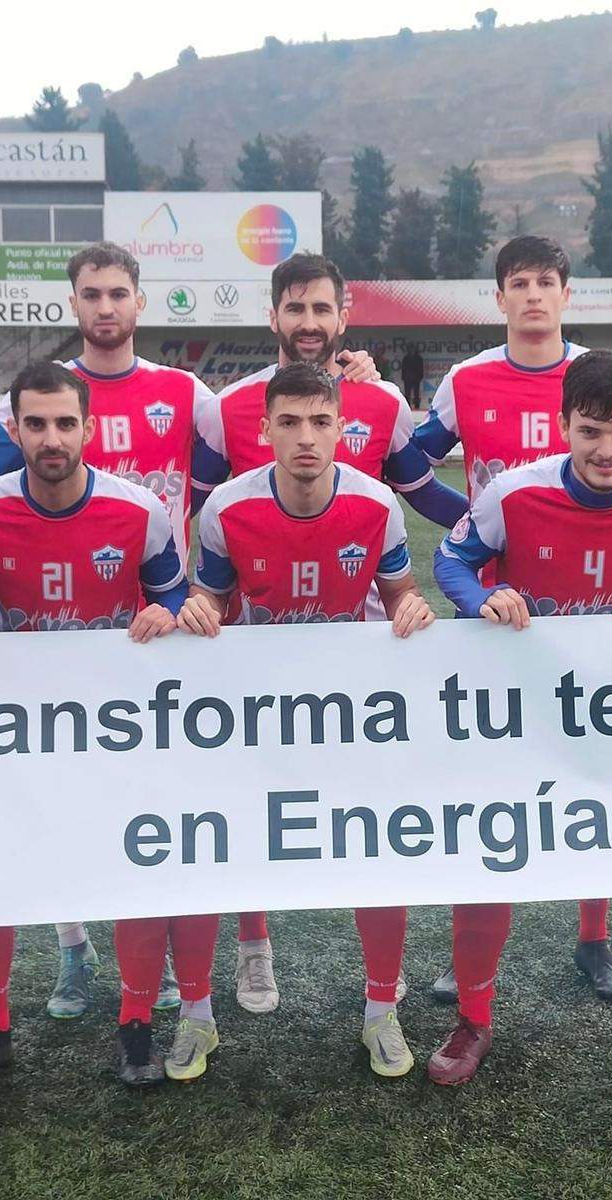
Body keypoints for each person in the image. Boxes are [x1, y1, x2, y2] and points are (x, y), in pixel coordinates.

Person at [0, 243, 381, 1018]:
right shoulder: (41, 399)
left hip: (164, 623)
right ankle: (75, 953)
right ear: (75, 304)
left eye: (118, 292)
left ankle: (250, 950)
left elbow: (234, 498)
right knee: (61, 799)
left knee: (187, 805)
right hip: (54, 641)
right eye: (91, 294)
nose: (105, 306)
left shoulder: (188, 395)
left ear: (139, 301)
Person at [431, 350, 612, 1085]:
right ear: (563, 425)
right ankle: (473, 1021)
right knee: (491, 863)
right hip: (525, 709)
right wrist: (478, 600)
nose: (606, 449)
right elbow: (453, 562)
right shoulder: (513, 493)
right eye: (590, 430)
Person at [0, 360, 188, 1100]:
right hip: (19, 724)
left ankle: (133, 1024)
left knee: (137, 869)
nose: (52, 437)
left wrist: (167, 614)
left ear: (88, 429)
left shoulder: (138, 512)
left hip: (121, 723)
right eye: (36, 423)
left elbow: (178, 598)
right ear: (16, 429)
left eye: (66, 423)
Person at [191, 252, 466, 1014]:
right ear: (272, 316)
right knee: (244, 816)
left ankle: (381, 984)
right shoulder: (228, 406)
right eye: (295, 309)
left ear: (343, 318)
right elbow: (210, 518)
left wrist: (492, 536)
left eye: (323, 310)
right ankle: (254, 952)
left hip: (359, 664)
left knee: (375, 821)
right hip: (257, 659)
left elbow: (417, 498)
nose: (309, 324)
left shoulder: (380, 406)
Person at [178, 361, 436, 1080]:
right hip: (255, 707)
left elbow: (400, 596)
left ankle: (380, 1010)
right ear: (262, 431)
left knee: (376, 854)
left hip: (352, 709)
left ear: (343, 430)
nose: (305, 438)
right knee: (220, 847)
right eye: (288, 422)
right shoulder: (227, 508)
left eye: (321, 422)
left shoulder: (377, 503)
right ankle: (197, 1015)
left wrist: (410, 610)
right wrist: (201, 611)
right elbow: (213, 603)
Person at [412, 234, 612, 1006]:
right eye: (520, 282)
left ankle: (595, 939)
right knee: (489, 783)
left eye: (548, 281)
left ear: (567, 293)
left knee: (595, 778)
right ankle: (465, 955)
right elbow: (410, 463)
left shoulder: (599, 378)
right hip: (498, 618)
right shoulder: (469, 378)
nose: (534, 294)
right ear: (499, 296)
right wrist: (468, 521)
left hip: (593, 613)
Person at [402, 345, 425, 409]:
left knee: (416, 393)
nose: (411, 350)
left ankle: (417, 406)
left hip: (416, 377)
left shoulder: (418, 358)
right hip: (408, 377)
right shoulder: (406, 358)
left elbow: (421, 368)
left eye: (412, 349)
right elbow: (403, 368)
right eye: (410, 349)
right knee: (407, 393)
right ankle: (407, 407)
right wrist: (403, 377)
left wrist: (420, 376)